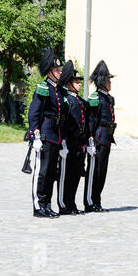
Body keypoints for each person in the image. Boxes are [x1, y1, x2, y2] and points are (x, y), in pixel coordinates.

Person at [28, 48, 67, 218]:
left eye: (60, 70)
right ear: (49, 71)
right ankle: (38, 206)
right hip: (44, 135)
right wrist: (34, 133)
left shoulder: (58, 90)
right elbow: (34, 112)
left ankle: (47, 204)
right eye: (57, 70)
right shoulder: (43, 87)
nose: (60, 72)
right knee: (41, 173)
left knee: (51, 173)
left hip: (55, 136)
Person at [84, 60, 117, 213]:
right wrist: (90, 140)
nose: (110, 83)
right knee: (94, 171)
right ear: (102, 81)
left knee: (102, 172)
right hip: (98, 137)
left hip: (107, 137)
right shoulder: (95, 98)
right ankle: (89, 202)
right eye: (108, 80)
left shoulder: (108, 98)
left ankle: (97, 200)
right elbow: (91, 120)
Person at [57, 60, 87, 215]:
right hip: (69, 142)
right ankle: (63, 205)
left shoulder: (79, 100)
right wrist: (63, 143)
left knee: (75, 175)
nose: (79, 84)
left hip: (79, 143)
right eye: (76, 82)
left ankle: (72, 203)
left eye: (79, 82)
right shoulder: (67, 99)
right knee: (66, 176)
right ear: (69, 84)